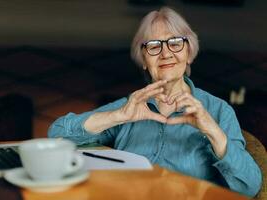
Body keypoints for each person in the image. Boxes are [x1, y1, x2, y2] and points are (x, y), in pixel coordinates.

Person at [48, 7, 262, 197]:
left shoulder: (218, 110)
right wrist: (118, 115)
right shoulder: (130, 105)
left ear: (189, 53)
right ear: (143, 59)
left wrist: (212, 130)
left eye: (175, 43)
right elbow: (56, 135)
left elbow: (249, 187)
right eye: (153, 45)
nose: (166, 53)